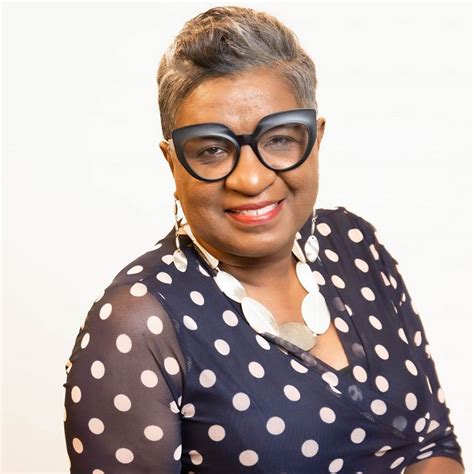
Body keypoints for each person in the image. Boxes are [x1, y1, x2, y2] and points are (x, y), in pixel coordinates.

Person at [63, 6, 464, 473]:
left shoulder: (353, 243)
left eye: (278, 140)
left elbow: (432, 442)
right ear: (172, 163)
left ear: (315, 140)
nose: (251, 179)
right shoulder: (137, 323)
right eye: (212, 150)